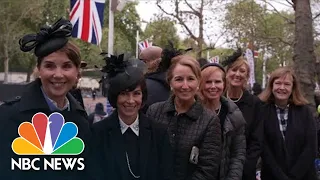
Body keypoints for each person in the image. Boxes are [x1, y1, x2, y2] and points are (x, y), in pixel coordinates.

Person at [0, 18, 90, 179]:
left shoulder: (81, 121)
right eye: (49, 66)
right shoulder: (7, 116)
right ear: (39, 70)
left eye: (67, 66)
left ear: (77, 72)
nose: (58, 74)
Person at [90, 54, 173, 180]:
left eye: (136, 94)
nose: (130, 100)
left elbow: (166, 174)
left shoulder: (159, 133)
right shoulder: (98, 133)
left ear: (142, 96)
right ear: (115, 97)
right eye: (124, 94)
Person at [147, 55, 221, 180]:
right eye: (179, 79)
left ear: (198, 82)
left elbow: (208, 169)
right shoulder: (154, 112)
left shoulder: (209, 121)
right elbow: (146, 156)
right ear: (170, 82)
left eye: (190, 79)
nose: (185, 86)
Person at [259, 67, 317, 180]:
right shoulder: (262, 111)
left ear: (293, 87)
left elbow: (311, 147)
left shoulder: (305, 111)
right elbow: (264, 148)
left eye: (287, 84)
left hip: (303, 175)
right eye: (278, 83)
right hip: (272, 175)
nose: (282, 87)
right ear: (271, 86)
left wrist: (294, 175)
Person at [200, 63, 246, 180]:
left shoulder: (233, 113)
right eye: (208, 82)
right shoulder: (193, 110)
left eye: (217, 82)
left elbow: (238, 153)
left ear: (224, 84)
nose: (213, 86)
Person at [222, 49, 263, 180]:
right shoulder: (217, 98)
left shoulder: (255, 103)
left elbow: (257, 140)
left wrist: (246, 166)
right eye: (234, 70)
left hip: (245, 169)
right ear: (227, 73)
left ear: (247, 76)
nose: (237, 74)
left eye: (242, 71)